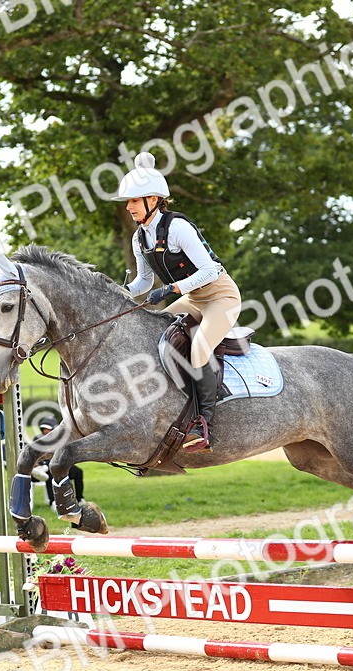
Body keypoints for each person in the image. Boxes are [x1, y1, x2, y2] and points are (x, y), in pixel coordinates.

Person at [111, 150, 242, 452]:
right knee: (156, 336)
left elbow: (210, 270)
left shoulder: (178, 228)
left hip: (221, 296)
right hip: (193, 299)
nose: (128, 207)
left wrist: (171, 288)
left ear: (153, 200)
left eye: (134, 200)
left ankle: (204, 424)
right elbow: (143, 282)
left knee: (199, 349)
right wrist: (118, 293)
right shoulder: (139, 238)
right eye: (128, 201)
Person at [30, 416, 84, 511]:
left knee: (78, 472)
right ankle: (53, 501)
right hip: (45, 465)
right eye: (44, 429)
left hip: (62, 465)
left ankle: (79, 498)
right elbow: (34, 455)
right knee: (51, 471)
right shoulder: (38, 439)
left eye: (48, 429)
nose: (46, 431)